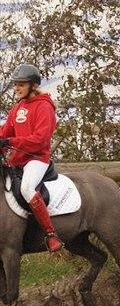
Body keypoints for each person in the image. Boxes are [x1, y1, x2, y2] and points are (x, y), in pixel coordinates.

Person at [0, 64, 63, 252]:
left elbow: (41, 140)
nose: (16, 88)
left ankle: (51, 234)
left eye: (21, 84)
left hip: (37, 159)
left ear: (33, 85)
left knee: (27, 189)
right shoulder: (18, 107)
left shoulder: (44, 107)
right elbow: (5, 131)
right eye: (15, 85)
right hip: (17, 160)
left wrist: (10, 141)